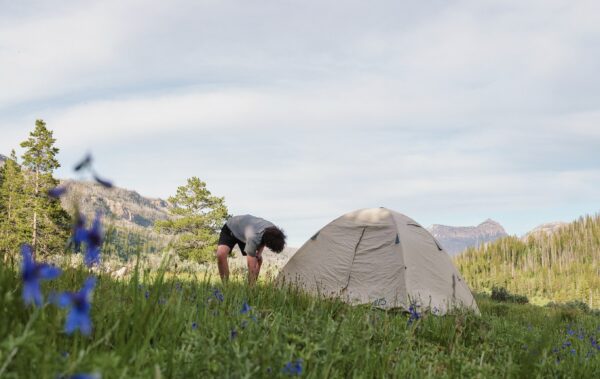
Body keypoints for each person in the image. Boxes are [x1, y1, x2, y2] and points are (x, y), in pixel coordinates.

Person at [215, 214, 286, 284]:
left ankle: (252, 284)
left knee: (257, 259)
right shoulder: (254, 238)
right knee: (220, 254)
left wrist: (259, 253)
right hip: (230, 228)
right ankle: (226, 286)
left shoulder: (274, 231)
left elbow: (264, 240)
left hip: (247, 232)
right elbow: (250, 265)